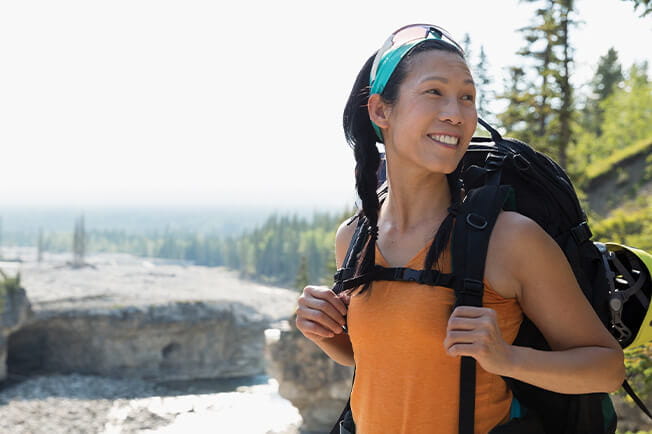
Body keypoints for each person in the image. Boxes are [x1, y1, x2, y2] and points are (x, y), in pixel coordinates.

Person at [295, 24, 625, 434]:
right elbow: (382, 357)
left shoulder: (509, 240)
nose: (457, 112)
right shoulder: (355, 237)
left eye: (467, 97)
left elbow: (606, 369)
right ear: (381, 111)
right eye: (434, 92)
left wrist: (505, 358)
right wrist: (324, 331)